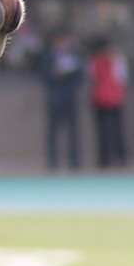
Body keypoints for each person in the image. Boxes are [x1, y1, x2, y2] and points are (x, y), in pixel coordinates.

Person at [41, 30, 84, 170]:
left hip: (70, 96)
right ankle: (53, 161)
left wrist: (70, 72)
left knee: (73, 130)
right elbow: (43, 74)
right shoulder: (48, 56)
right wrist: (55, 73)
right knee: (53, 131)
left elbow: (80, 76)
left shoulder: (74, 55)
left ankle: (74, 161)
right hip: (54, 96)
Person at [88, 39, 129, 167]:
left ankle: (118, 157)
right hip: (103, 98)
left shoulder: (115, 61)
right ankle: (106, 158)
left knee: (115, 129)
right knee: (105, 130)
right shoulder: (99, 62)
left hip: (111, 98)